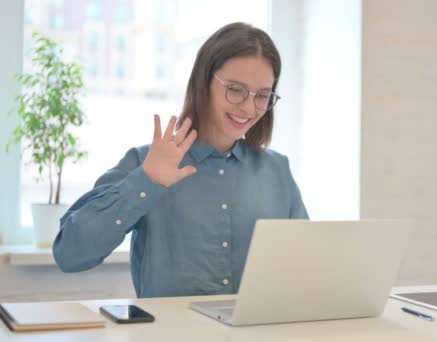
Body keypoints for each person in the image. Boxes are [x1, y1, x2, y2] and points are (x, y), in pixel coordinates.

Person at [53, 22, 308, 298]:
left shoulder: (277, 171)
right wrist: (146, 181)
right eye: (235, 90)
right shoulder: (145, 162)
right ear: (204, 83)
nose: (248, 107)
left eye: (262, 95)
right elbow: (69, 254)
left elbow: (307, 268)